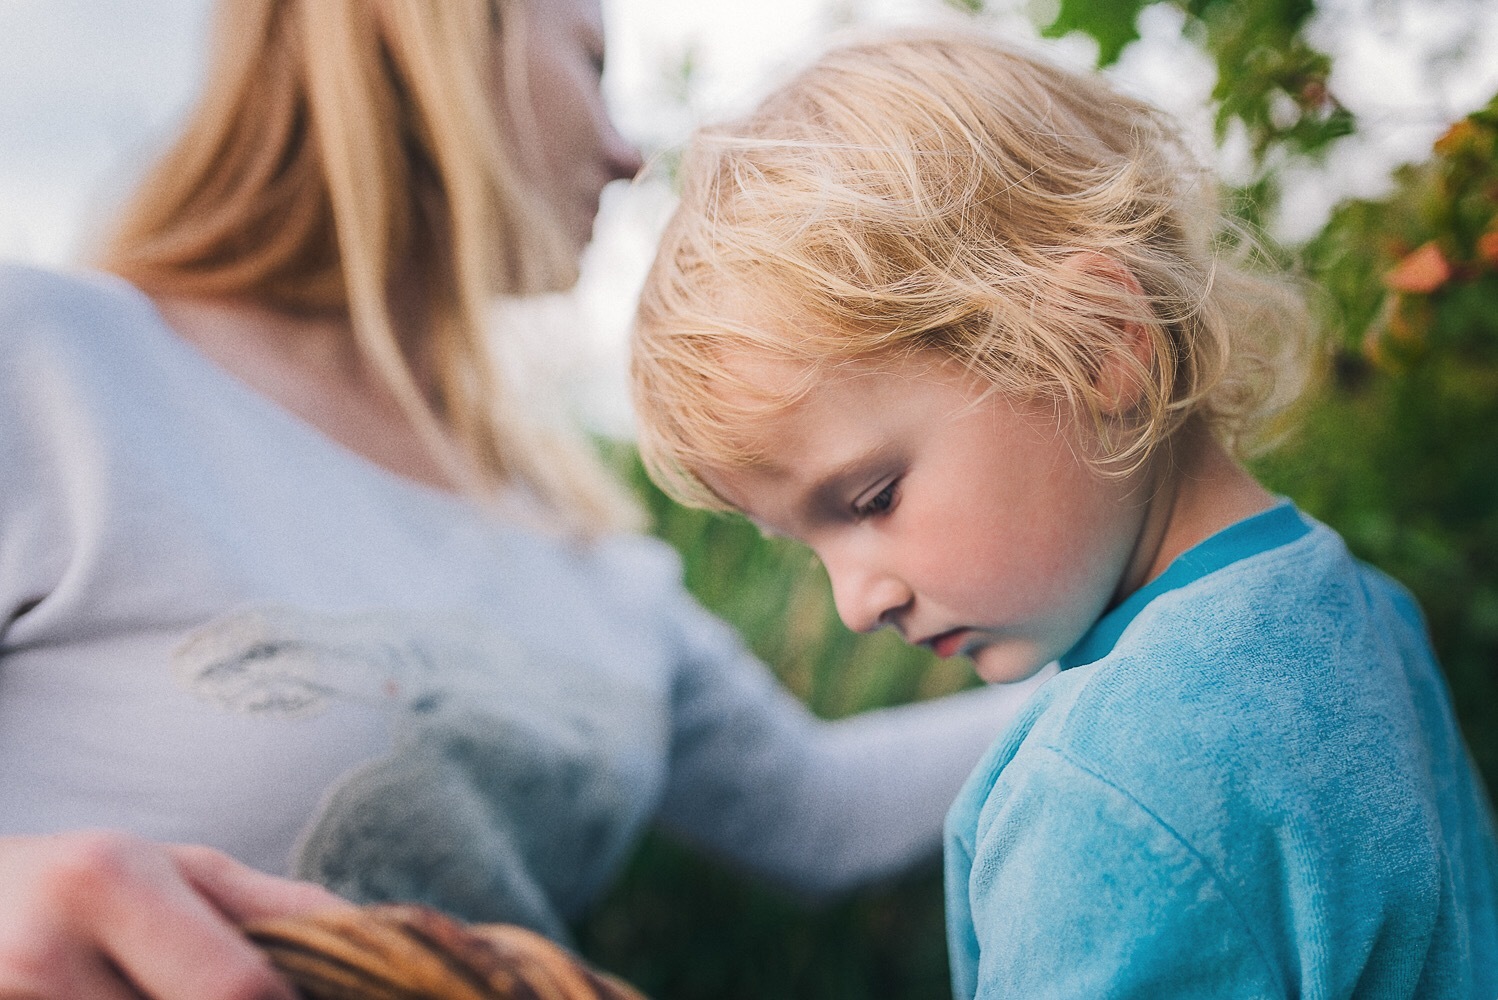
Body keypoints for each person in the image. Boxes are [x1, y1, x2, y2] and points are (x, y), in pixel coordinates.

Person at [0, 2, 1051, 998]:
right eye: (589, 65)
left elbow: (819, 808)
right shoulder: (47, 364)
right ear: (434, 34)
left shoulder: (581, 542)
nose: (629, 150)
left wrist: (1182, 634)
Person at [630, 27, 1498, 998]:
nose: (853, 603)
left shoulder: (1112, 793)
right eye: (807, 546)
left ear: (1094, 345)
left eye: (872, 498)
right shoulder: (1362, 609)